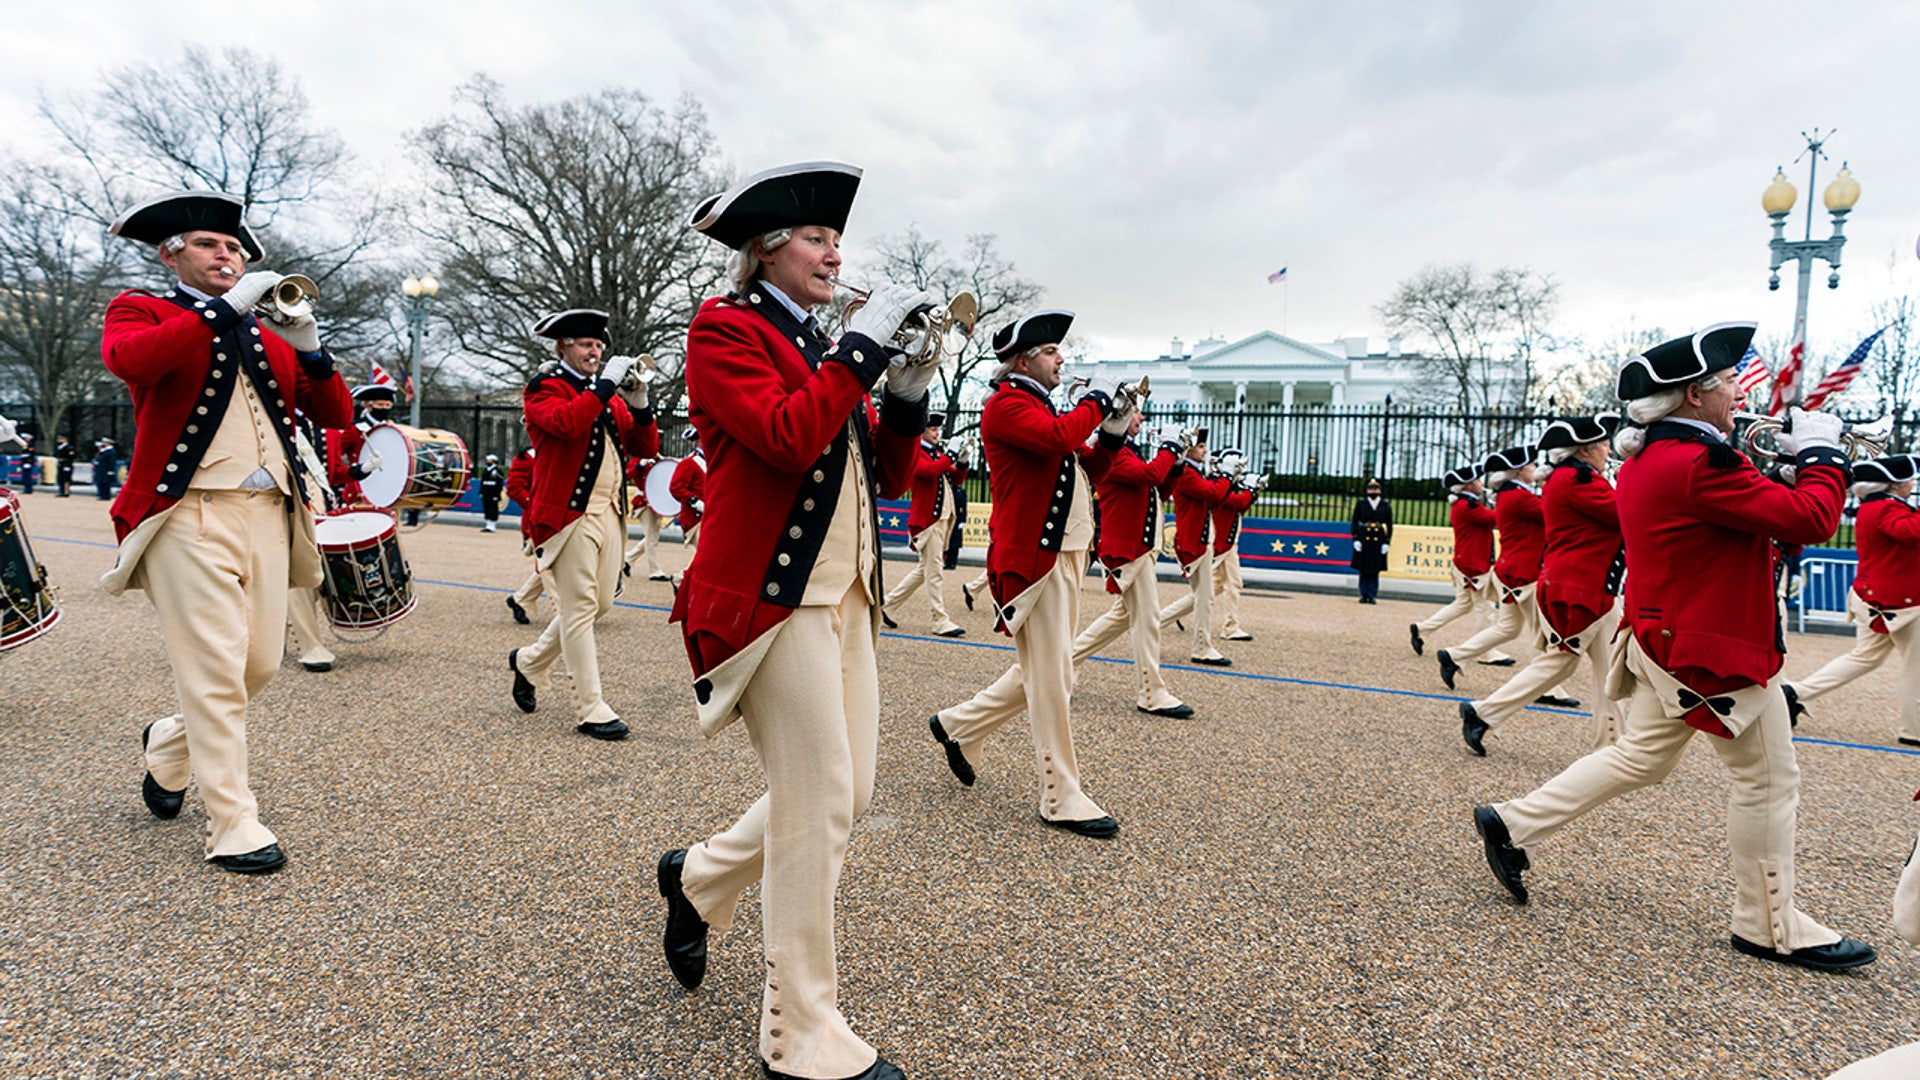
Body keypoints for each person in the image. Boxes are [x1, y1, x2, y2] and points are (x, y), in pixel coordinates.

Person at [1472, 321, 1875, 973]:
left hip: (1671, 638)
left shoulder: (1657, 457)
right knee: (1769, 779)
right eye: (1726, 383)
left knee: (1642, 759)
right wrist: (1825, 457)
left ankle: (1515, 821)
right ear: (1695, 393)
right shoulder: (1697, 461)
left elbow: (1755, 523)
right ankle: (1767, 924)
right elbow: (1813, 518)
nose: (1736, 393)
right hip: (1712, 649)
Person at [657, 161, 931, 1080]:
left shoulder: (820, 344)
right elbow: (784, 437)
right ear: (766, 251)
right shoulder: (723, 328)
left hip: (848, 595)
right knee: (818, 807)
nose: (834, 252)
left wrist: (907, 388)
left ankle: (699, 877)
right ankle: (799, 1033)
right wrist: (859, 351)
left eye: (834, 240)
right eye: (816, 238)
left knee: (844, 796)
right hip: (773, 605)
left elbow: (886, 479)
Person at [100, 190, 353, 874]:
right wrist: (227, 306)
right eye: (213, 245)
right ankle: (233, 822)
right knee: (215, 670)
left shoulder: (267, 334)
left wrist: (312, 347)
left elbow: (333, 413)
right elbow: (131, 361)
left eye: (236, 249)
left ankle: (169, 744)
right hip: (187, 514)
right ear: (171, 253)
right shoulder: (142, 308)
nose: (229, 256)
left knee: (260, 664)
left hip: (270, 514)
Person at [928, 309, 1136, 838]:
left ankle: (958, 725)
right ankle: (1059, 794)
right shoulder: (1007, 405)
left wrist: (1111, 432)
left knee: (1049, 669)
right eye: (1050, 352)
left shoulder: (1037, 408)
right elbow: (1062, 438)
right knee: (1053, 678)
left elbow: (1087, 470)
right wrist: (1097, 400)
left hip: (1062, 555)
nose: (1061, 359)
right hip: (1036, 561)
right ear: (1023, 360)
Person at [507, 309, 659, 740]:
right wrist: (605, 385)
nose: (595, 352)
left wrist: (640, 401)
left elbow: (644, 446)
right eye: (586, 345)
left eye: (599, 346)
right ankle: (590, 707)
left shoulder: (607, 396)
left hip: (609, 511)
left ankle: (530, 662)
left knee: (601, 606)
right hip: (569, 514)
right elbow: (567, 423)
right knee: (577, 610)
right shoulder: (544, 387)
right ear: (563, 347)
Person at [1460, 415, 1625, 756]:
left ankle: (1614, 746)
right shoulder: (1578, 480)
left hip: (1581, 585)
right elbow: (1625, 512)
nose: (1609, 451)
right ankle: (1614, 749)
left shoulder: (1572, 477)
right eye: (1604, 445)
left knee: (1585, 665)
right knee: (1602, 668)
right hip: (1582, 588)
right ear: (1585, 450)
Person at [1784, 455, 1920, 745]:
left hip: (1878, 598)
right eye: (1909, 479)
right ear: (1893, 485)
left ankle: (1796, 693)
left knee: (1863, 658)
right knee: (1915, 668)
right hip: (1901, 603)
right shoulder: (1886, 509)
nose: (1912, 483)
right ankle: (1914, 730)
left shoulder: (1880, 506)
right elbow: (1909, 532)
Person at [1436, 445, 1563, 694]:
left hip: (1511, 570)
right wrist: (1554, 483)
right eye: (1531, 466)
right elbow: (1554, 512)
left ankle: (1455, 656)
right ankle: (1546, 690)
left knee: (1508, 628)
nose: (1535, 469)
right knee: (1543, 631)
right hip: (1523, 574)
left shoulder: (1510, 494)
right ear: (1518, 472)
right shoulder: (1519, 497)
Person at [880, 414, 968, 636]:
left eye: (937, 429)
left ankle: (887, 606)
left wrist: (963, 460)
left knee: (924, 570)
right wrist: (950, 455)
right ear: (921, 432)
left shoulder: (936, 454)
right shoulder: (915, 453)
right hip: (927, 522)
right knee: (935, 571)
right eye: (932, 429)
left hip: (940, 520)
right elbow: (929, 472)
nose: (937, 433)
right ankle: (940, 620)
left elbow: (955, 479)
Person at [1410, 464, 1501, 657]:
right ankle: (1486, 652)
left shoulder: (1465, 503)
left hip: (1467, 561)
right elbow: (1497, 519)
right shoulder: (1469, 506)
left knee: (1462, 605)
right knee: (1485, 609)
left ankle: (1422, 629)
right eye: (1477, 480)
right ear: (1467, 485)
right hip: (1473, 565)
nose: (1480, 483)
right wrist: (1501, 501)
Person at [1163, 437, 1236, 665]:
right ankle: (1201, 648)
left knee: (1202, 596)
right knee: (1205, 598)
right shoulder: (1185, 472)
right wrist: (1225, 475)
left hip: (1202, 540)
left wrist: (1223, 476)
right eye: (1201, 446)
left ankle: (1152, 623)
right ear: (1189, 450)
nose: (1205, 450)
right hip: (1193, 542)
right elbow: (1213, 494)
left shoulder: (1194, 472)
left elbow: (1216, 494)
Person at [1207, 448, 1260, 641]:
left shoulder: (1226, 484)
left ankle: (1171, 615)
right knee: (1233, 584)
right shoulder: (1216, 483)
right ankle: (1230, 627)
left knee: (1214, 587)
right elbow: (1236, 502)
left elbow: (1241, 508)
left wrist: (1253, 492)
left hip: (1228, 541)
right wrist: (1250, 490)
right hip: (1222, 543)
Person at [504, 444, 544, 623]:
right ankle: (568, 613)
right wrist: (535, 506)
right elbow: (514, 488)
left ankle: (521, 599)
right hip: (537, 519)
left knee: (551, 566)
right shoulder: (527, 457)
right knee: (551, 565)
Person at [623, 454, 671, 581]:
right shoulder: (638, 459)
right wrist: (639, 466)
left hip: (656, 503)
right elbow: (626, 475)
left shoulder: (660, 460)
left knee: (652, 537)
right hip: (643, 503)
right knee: (651, 538)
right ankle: (654, 571)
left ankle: (627, 559)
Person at [1349, 478, 1391, 603]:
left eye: (1376, 489)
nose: (1373, 491)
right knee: (1363, 568)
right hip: (1364, 538)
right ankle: (1364, 594)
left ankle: (1372, 594)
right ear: (1367, 490)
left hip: (1378, 539)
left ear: (1380, 490)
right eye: (1371, 489)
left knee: (1374, 568)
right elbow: (1355, 522)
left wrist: (1387, 542)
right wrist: (1355, 538)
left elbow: (1389, 525)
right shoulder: (1361, 504)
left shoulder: (1385, 505)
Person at [670, 433, 706, 548]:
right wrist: (696, 503)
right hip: (696, 517)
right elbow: (676, 487)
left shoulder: (714, 461)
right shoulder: (689, 463)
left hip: (711, 515)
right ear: (697, 441)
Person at [478, 453, 505, 532]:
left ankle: (492, 525)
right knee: (486, 508)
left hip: (493, 493)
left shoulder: (497, 471)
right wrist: (481, 491)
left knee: (492, 509)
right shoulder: (486, 470)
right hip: (486, 492)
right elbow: (483, 482)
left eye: (489, 460)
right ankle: (488, 524)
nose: (487, 461)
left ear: (493, 461)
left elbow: (499, 484)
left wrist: (497, 494)